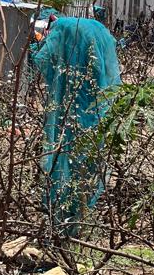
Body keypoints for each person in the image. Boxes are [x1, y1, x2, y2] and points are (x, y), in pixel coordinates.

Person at [30, 17, 121, 236]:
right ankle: (78, 219)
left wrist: (33, 46)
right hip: (94, 116)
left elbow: (42, 60)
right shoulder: (97, 60)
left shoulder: (65, 33)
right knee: (87, 166)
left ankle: (65, 223)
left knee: (66, 164)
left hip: (70, 114)